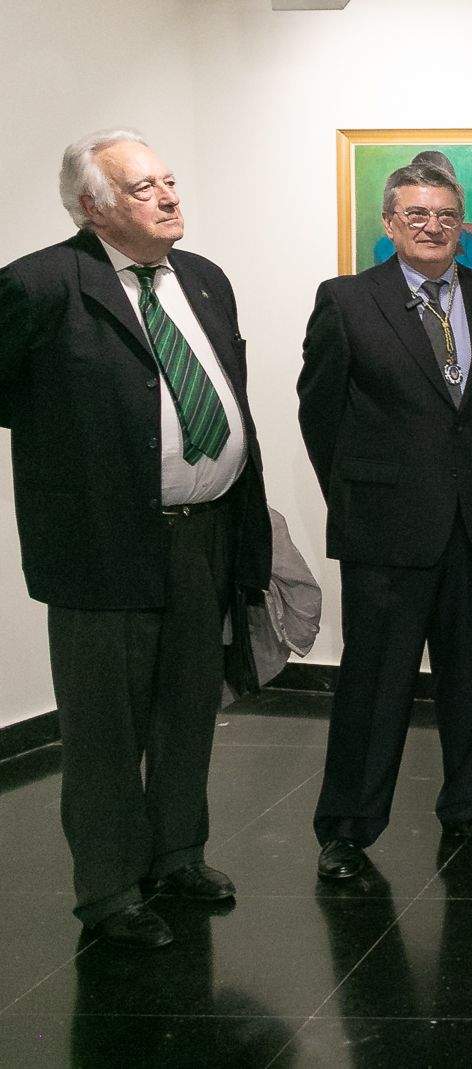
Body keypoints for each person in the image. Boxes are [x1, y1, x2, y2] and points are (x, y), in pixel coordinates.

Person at [0, 129, 270, 949]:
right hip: (102, 545)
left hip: (205, 535)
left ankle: (177, 856)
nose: (169, 197)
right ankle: (111, 891)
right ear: (94, 205)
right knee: (106, 731)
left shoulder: (205, 280)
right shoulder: (41, 285)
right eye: (145, 187)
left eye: (170, 181)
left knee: (190, 709)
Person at [297, 160, 472, 882]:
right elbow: (320, 415)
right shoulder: (348, 301)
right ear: (390, 223)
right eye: (418, 215)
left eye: (447, 216)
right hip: (386, 531)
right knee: (375, 683)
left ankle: (468, 806)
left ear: (463, 225)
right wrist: (364, 496)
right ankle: (348, 827)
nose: (433, 227)